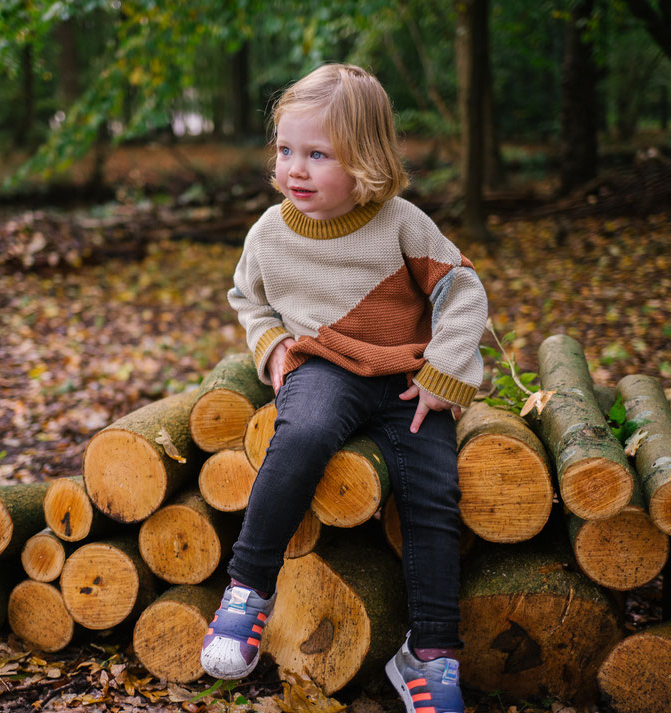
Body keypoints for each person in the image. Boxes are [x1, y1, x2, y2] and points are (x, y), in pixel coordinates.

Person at [199, 63, 487, 713]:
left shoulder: (402, 223)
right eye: (285, 150)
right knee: (297, 434)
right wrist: (270, 343)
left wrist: (444, 371)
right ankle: (248, 590)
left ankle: (432, 652)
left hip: (409, 380)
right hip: (325, 364)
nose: (294, 169)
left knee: (435, 493)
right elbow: (248, 298)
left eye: (318, 154)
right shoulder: (269, 233)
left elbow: (461, 290)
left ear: (367, 160)